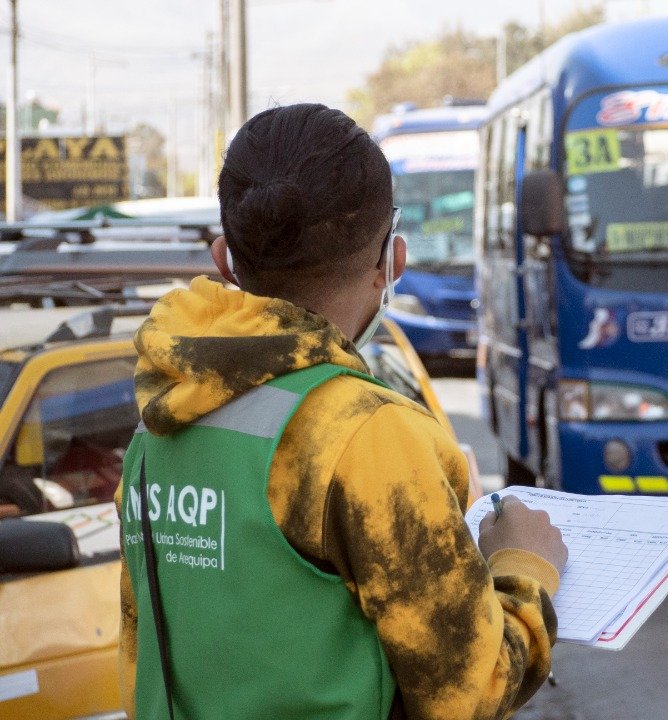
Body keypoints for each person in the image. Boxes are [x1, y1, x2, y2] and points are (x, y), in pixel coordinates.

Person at [115, 104, 567, 720]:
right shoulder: (366, 431)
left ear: (224, 258)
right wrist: (525, 565)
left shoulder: (160, 416)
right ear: (392, 263)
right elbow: (471, 693)